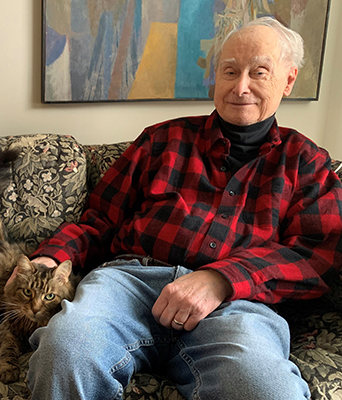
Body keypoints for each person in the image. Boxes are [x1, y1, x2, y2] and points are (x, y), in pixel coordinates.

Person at [26, 17, 342, 400]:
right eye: (229, 71)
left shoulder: (307, 163)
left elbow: (317, 255)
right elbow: (99, 221)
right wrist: (47, 260)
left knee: (269, 390)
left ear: (288, 80)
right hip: (130, 285)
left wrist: (221, 279)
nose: (240, 87)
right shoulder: (162, 139)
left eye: (259, 72)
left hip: (235, 306)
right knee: (65, 352)